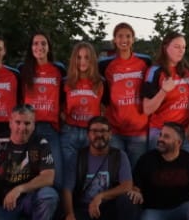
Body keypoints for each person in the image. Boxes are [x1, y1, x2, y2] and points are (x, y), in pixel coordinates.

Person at [58, 115, 136, 220]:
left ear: (110, 134)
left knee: (128, 199)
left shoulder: (119, 156)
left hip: (108, 210)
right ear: (88, 135)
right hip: (84, 210)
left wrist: (101, 197)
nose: (99, 135)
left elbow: (127, 185)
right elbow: (67, 189)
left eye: (103, 131)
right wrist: (70, 215)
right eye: (94, 131)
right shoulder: (78, 157)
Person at [58, 41, 105, 203]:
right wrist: (64, 117)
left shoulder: (100, 83)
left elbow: (104, 107)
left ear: (92, 60)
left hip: (91, 134)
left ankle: (86, 210)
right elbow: (58, 106)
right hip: (70, 132)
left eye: (86, 57)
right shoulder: (66, 82)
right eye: (79, 57)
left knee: (90, 174)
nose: (82, 61)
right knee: (69, 175)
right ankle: (66, 213)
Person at [20, 32, 66, 195]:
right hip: (28, 128)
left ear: (49, 47)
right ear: (31, 48)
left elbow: (64, 97)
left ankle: (57, 216)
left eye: (43, 43)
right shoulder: (23, 70)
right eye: (35, 43)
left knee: (57, 173)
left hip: (50, 128)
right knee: (26, 172)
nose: (39, 47)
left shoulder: (58, 70)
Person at [99, 22, 151, 164]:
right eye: (120, 36)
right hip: (115, 130)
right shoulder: (105, 65)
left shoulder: (144, 61)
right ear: (114, 40)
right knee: (117, 172)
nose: (124, 40)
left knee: (137, 173)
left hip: (139, 129)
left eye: (128, 36)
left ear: (133, 39)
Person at [141, 31, 189, 152]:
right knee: (160, 169)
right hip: (161, 131)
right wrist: (163, 91)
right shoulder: (155, 71)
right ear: (165, 47)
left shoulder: (187, 72)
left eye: (183, 47)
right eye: (177, 47)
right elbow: (147, 109)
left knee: (187, 169)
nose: (181, 50)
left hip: (185, 131)